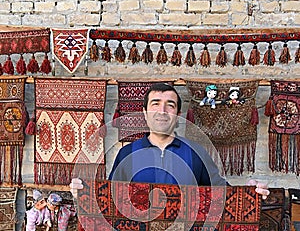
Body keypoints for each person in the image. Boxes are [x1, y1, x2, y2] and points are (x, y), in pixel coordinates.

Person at [70, 83, 269, 198]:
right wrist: (84, 192)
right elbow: (109, 197)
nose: (163, 111)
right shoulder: (127, 153)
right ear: (145, 113)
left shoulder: (196, 152)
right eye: (156, 104)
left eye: (170, 105)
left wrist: (249, 192)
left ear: (178, 114)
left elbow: (222, 194)